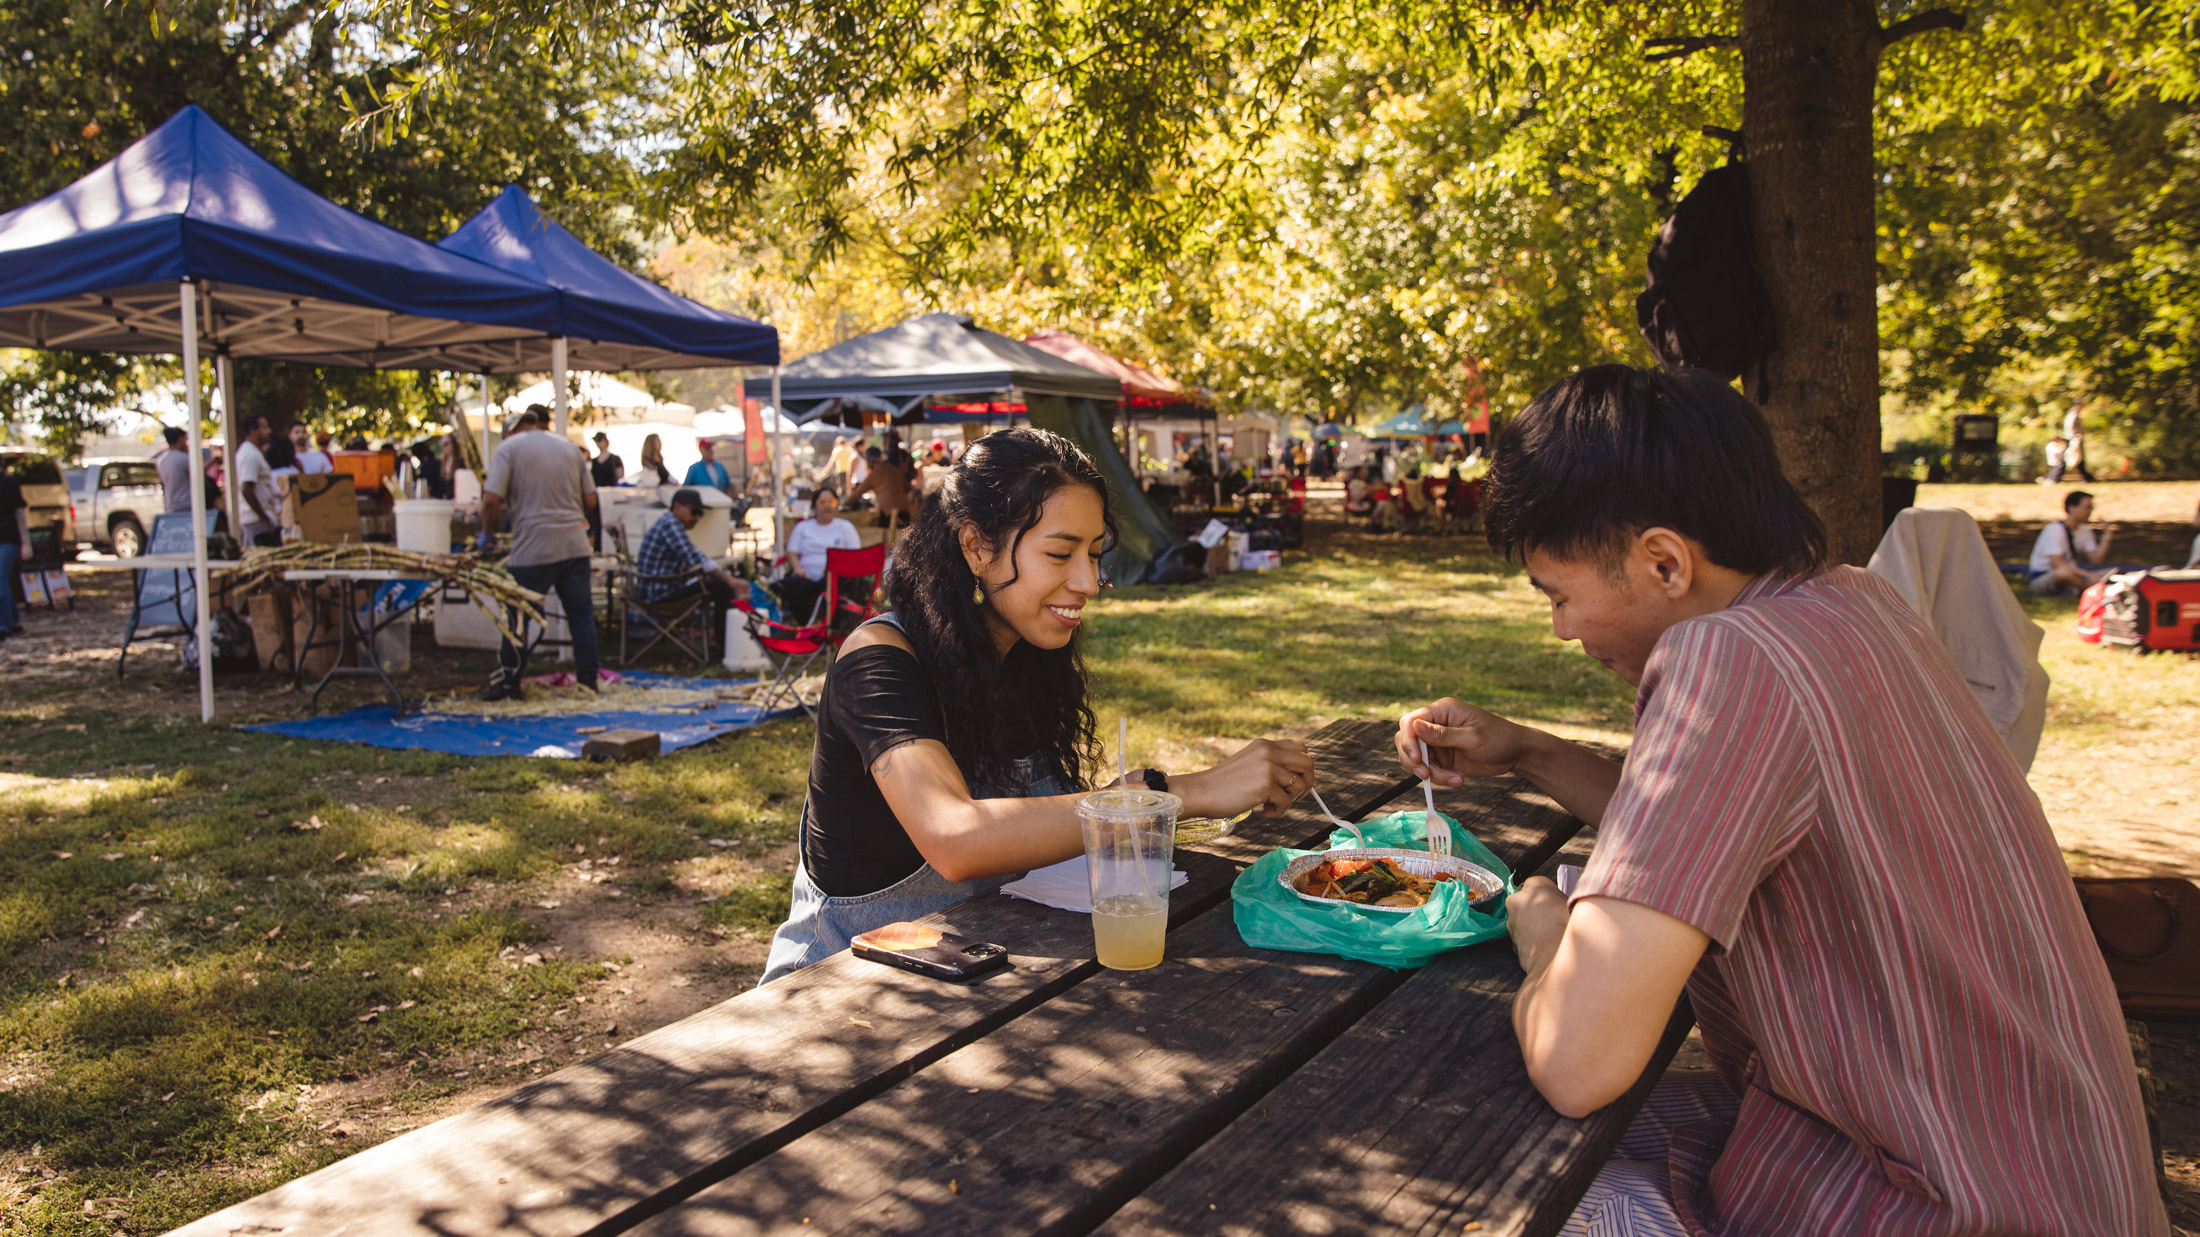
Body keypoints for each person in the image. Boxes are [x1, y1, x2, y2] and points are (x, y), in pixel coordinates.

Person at [1394, 365, 2159, 1235]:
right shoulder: (1852, 602)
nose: (1562, 629)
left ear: (1663, 560)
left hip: (1933, 1199)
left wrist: (1546, 945)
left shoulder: (1728, 659)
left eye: (1560, 596)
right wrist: (1527, 748)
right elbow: (1703, 829)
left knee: (1463, 1173)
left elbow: (1580, 1059)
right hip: (2045, 1174)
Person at [760, 428, 1318, 983]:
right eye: (1059, 553)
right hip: (838, 992)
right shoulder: (878, 659)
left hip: (984, 978)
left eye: (1095, 554)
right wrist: (1171, 796)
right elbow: (957, 837)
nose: (1089, 582)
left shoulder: (1023, 657)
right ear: (977, 546)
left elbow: (1031, 836)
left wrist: (1130, 802)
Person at [478, 406, 599, 701]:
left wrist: (487, 532)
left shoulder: (508, 449)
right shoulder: (569, 448)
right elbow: (591, 500)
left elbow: (491, 500)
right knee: (581, 615)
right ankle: (588, 683)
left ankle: (509, 683)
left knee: (517, 614)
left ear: (512, 430)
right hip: (573, 543)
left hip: (534, 546)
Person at [635, 488, 743, 647]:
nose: (697, 517)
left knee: (715, 584)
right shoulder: (670, 524)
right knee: (721, 588)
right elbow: (697, 559)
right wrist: (730, 580)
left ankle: (725, 642)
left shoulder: (670, 523)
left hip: (660, 587)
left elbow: (694, 562)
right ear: (677, 506)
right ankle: (726, 646)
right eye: (694, 511)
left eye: (701, 513)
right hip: (658, 593)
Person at [776, 488, 863, 624]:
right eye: (822, 502)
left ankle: (828, 626)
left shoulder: (845, 527)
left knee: (835, 584)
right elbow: (792, 552)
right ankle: (807, 626)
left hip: (833, 578)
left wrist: (835, 567)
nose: (827, 505)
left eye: (831, 502)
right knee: (793, 584)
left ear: (836, 505)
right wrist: (798, 568)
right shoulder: (803, 527)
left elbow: (854, 556)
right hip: (806, 577)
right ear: (814, 505)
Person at [2028, 489, 2114, 594]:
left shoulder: (2084, 530)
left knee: (2113, 572)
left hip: (2073, 574)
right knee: (2063, 573)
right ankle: (2087, 591)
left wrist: (2107, 536)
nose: (2090, 511)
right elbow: (2057, 563)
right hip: (2045, 576)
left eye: (2091, 508)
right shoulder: (2055, 529)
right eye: (2087, 507)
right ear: (2071, 508)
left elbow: (2096, 560)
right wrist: (2088, 575)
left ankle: (2078, 589)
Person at [231, 414, 280, 546]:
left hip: (257, 518)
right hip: (256, 520)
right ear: (253, 431)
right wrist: (263, 518)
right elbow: (246, 489)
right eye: (264, 427)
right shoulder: (250, 455)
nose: (269, 431)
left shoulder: (252, 452)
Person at [0, 460, 29, 640]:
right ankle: (15, 621)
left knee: (0, 580)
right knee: (3, 581)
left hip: (8, 539)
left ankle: (3, 624)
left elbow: (19, 513)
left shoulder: (8, 483)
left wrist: (26, 543)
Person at [851, 445, 912, 529]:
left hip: (889, 514)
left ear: (870, 460)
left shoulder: (874, 474)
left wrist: (845, 504)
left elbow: (857, 493)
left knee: (886, 538)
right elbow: (908, 487)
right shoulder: (895, 470)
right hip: (904, 510)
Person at [156, 427, 195, 515]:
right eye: (186, 440)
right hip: (186, 507)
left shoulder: (161, 460)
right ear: (180, 439)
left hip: (170, 508)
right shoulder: (183, 459)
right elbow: (200, 474)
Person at [2063, 400, 2097, 483]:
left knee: (2078, 458)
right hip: (2074, 438)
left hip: (2074, 437)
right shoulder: (2073, 413)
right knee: (2075, 457)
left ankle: (2087, 477)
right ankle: (2053, 477)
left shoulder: (2073, 413)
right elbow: (2071, 427)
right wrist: (2076, 437)